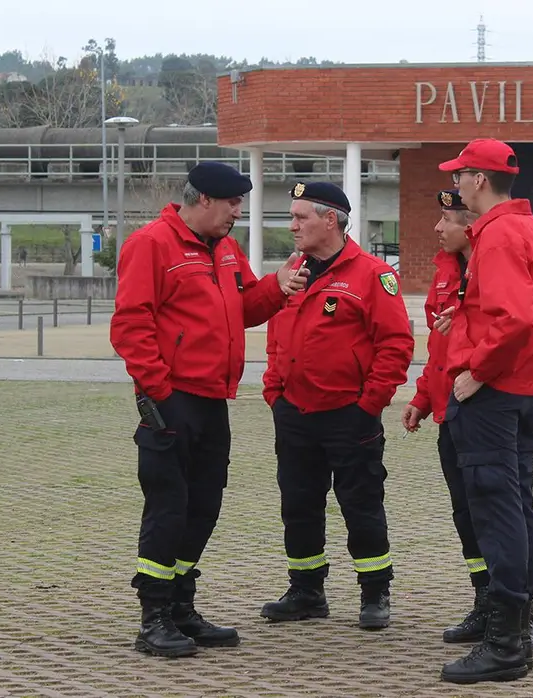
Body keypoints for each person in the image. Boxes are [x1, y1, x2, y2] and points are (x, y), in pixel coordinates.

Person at [110, 161, 308, 658]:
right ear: (203, 201)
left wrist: (277, 288)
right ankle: (153, 616)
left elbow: (243, 310)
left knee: (204, 505)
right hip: (172, 398)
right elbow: (131, 325)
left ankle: (180, 605)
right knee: (169, 505)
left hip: (213, 398)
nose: (238, 213)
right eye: (232, 204)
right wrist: (156, 391)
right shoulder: (151, 245)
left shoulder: (225, 249)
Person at [434, 139, 533, 684]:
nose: (456, 187)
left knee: (496, 510)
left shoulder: (498, 235)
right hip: (523, 389)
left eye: (459, 177)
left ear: (479, 180)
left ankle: (506, 642)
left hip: (492, 393)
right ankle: (518, 620)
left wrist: (478, 371)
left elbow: (514, 319)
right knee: (518, 504)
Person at [259, 181, 414, 631]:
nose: (292, 226)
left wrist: (369, 404)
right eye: (291, 217)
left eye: (300, 217)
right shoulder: (292, 271)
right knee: (299, 505)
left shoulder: (371, 275)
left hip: (350, 415)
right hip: (295, 414)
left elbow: (396, 345)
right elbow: (277, 334)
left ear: (330, 220)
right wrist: (274, 391)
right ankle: (306, 590)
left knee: (361, 503)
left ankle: (374, 592)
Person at [398, 189, 491, 643]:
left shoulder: (488, 270)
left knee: (489, 509)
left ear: (468, 226)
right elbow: (439, 350)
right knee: (464, 512)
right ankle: (483, 599)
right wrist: (421, 398)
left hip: (481, 405)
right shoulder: (445, 273)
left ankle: (507, 605)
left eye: (446, 220)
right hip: (448, 408)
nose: (437, 229)